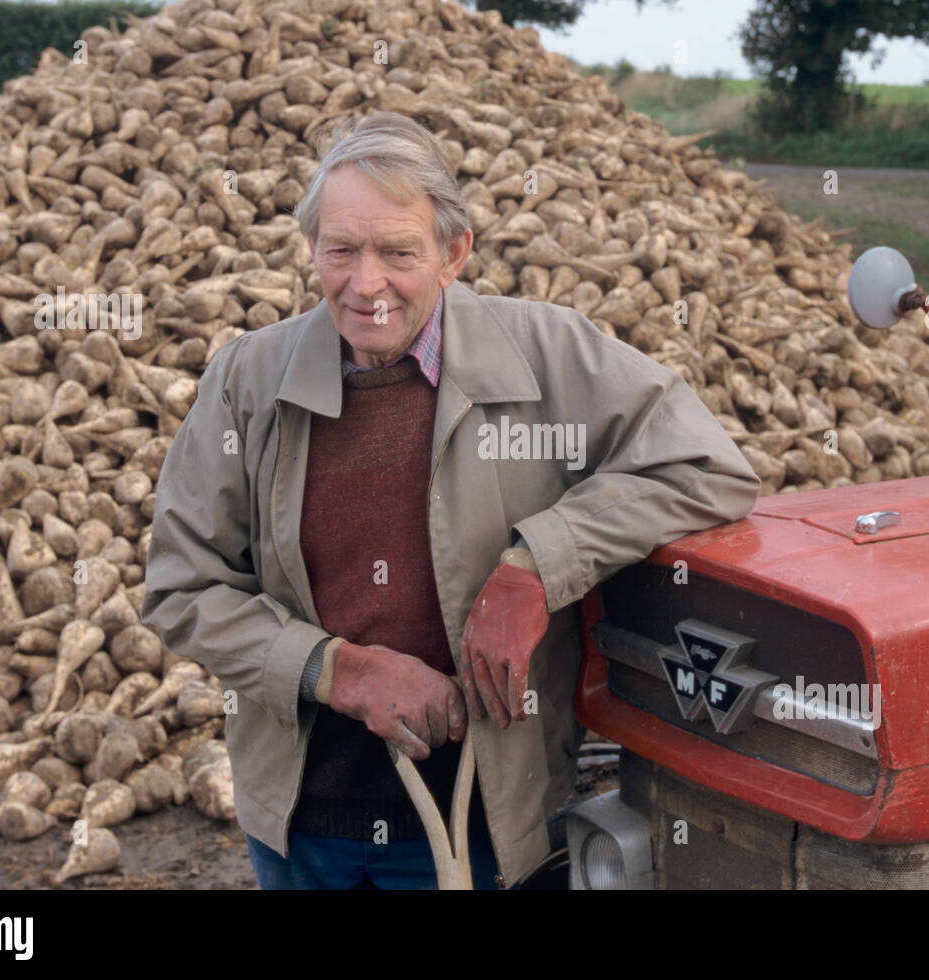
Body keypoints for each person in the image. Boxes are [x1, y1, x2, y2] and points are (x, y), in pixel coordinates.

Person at [140, 111, 761, 890]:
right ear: (312, 250)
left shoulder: (547, 353)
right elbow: (181, 587)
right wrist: (338, 672)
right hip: (303, 832)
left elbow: (708, 467)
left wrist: (537, 565)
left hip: (490, 827)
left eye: (398, 252)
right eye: (340, 251)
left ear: (453, 253)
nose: (366, 285)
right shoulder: (246, 381)